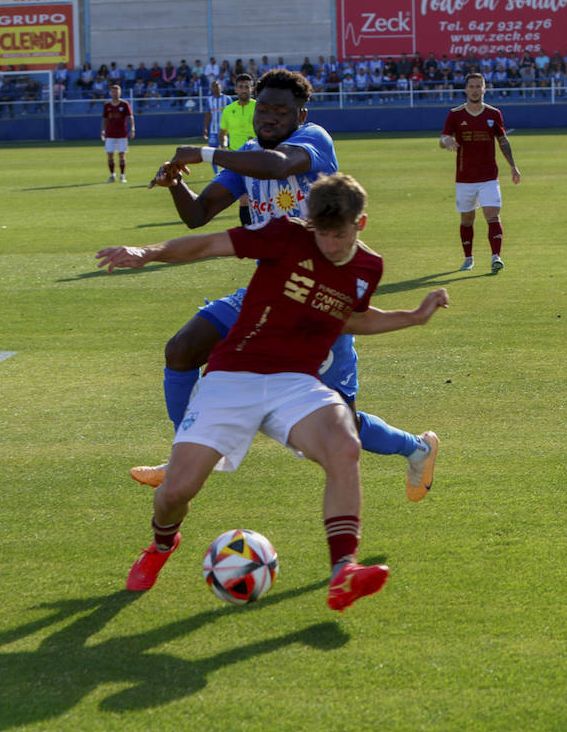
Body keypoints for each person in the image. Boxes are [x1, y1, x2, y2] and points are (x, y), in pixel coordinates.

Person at [97, 173, 451, 610]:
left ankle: (344, 570)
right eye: (320, 233)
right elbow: (208, 245)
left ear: (360, 225)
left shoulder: (368, 268)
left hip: (295, 381)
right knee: (175, 492)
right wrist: (145, 253)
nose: (329, 245)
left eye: (339, 235)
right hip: (233, 375)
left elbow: (349, 319)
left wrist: (413, 317)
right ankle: (161, 546)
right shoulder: (284, 236)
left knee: (343, 444)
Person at [136, 69, 440, 502]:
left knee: (339, 425)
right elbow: (199, 215)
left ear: (302, 113)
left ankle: (417, 447)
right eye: (264, 109)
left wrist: (205, 153)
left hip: (319, 300)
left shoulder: (314, 141)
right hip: (265, 293)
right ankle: (183, 456)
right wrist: (178, 184)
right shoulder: (245, 155)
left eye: (282, 111)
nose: (270, 118)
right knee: (182, 349)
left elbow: (278, 165)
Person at [440, 71, 521, 273]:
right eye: (472, 86)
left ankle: (496, 256)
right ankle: (468, 258)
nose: (475, 90)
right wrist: (446, 141)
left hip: (489, 177)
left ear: (485, 88)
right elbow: (443, 138)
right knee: (467, 220)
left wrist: (512, 165)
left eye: (479, 86)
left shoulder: (494, 114)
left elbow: (502, 140)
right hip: (465, 178)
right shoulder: (455, 114)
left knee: (492, 215)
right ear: (466, 89)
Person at [219, 73, 257, 226]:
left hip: (258, 155)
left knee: (261, 195)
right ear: (235, 89)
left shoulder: (259, 107)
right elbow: (223, 132)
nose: (244, 90)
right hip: (237, 158)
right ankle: (248, 230)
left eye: (247, 87)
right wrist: (223, 146)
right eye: (241, 87)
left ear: (251, 89)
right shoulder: (228, 110)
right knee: (244, 198)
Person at [101, 83, 134, 183]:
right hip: (110, 134)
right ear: (110, 93)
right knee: (110, 155)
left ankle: (122, 176)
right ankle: (112, 175)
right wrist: (103, 131)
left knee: (122, 155)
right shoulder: (107, 105)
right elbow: (104, 119)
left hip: (122, 134)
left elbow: (130, 117)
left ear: (120, 92)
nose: (115, 93)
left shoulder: (124, 104)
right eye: (113, 91)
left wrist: (132, 129)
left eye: (117, 91)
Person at [201, 79, 232, 175]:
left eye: (217, 86)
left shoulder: (227, 99)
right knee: (212, 153)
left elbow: (232, 113)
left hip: (226, 130)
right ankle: (216, 173)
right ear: (211, 88)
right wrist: (205, 127)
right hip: (214, 130)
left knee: (228, 151)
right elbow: (208, 114)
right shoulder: (209, 100)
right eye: (214, 86)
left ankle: (228, 171)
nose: (216, 88)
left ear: (221, 87)